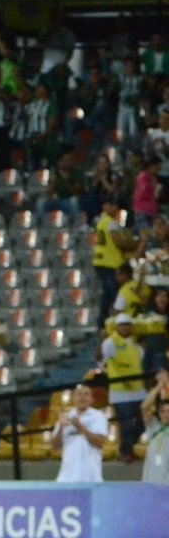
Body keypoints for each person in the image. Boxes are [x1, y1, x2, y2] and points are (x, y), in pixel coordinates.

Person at [101, 313, 146, 464]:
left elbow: (140, 363)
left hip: (138, 391)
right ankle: (126, 452)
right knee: (126, 423)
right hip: (120, 392)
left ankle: (128, 446)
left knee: (142, 423)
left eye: (128, 324)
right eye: (123, 325)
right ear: (117, 326)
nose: (126, 327)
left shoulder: (136, 344)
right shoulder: (110, 343)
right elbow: (103, 362)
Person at [92, 198, 135, 327]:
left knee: (109, 294)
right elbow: (117, 241)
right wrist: (131, 244)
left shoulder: (101, 220)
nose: (115, 208)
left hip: (101, 261)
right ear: (105, 206)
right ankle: (106, 323)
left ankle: (105, 322)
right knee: (112, 295)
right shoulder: (110, 222)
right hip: (109, 262)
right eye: (112, 205)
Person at [53, 384, 108, 483]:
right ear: (73, 399)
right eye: (79, 394)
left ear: (91, 399)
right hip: (66, 478)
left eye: (86, 394)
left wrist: (81, 428)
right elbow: (55, 446)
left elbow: (100, 442)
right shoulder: (66, 417)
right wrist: (61, 426)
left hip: (91, 477)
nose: (82, 397)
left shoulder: (98, 416)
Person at [140, 371, 169, 484]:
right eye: (163, 411)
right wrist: (160, 385)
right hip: (151, 480)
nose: (166, 414)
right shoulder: (154, 428)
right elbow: (144, 407)